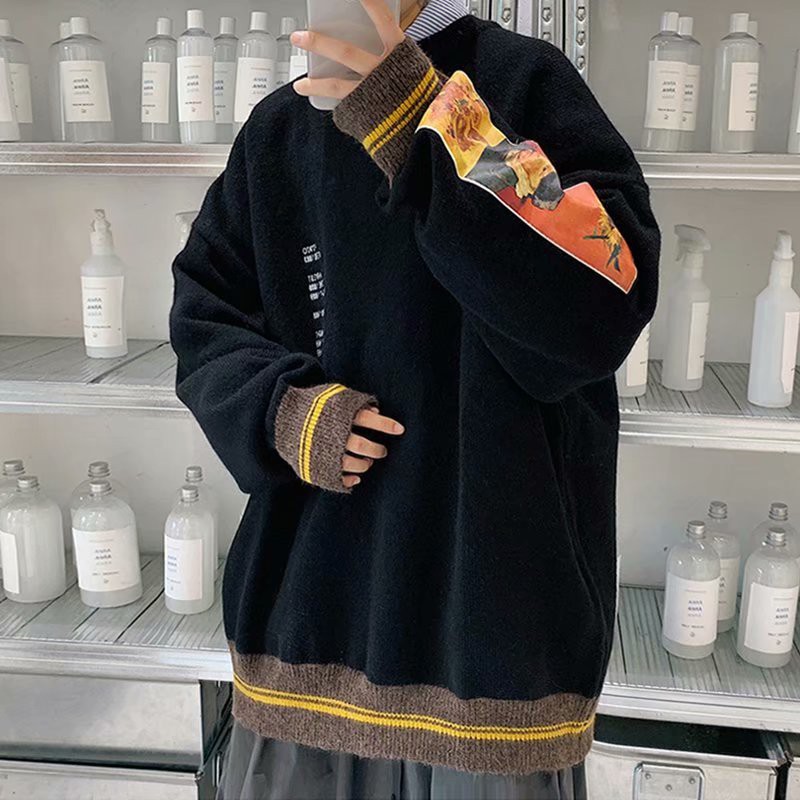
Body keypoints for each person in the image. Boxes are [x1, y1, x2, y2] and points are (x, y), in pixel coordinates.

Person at [170, 0, 660, 797]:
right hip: (307, 645)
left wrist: (419, 115)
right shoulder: (279, 130)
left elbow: (602, 304)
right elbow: (204, 317)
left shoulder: (524, 84)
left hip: (494, 662)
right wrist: (285, 412)